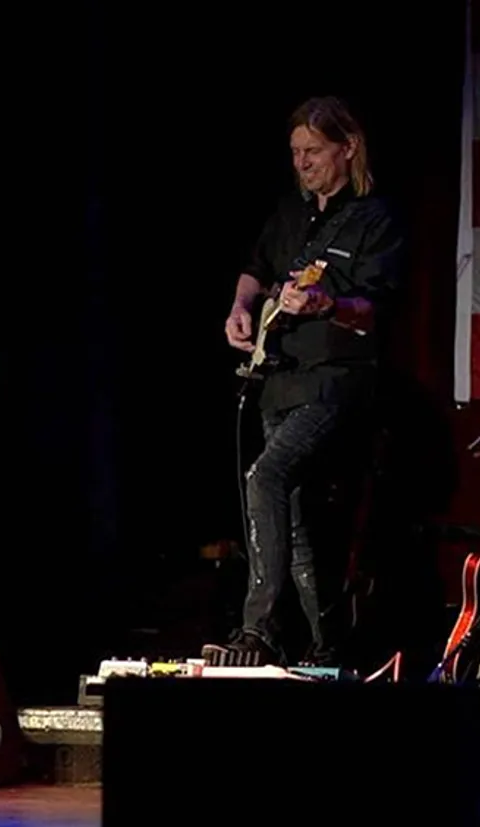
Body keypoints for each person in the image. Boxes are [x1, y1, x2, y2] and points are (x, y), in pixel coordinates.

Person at [206, 96, 406, 668]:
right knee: (290, 515)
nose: (303, 163)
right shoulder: (290, 214)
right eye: (295, 152)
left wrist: (326, 304)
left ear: (348, 148)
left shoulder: (376, 219)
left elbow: (375, 308)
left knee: (265, 476)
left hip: (337, 383)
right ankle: (329, 646)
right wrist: (239, 308)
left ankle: (259, 627)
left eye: (313, 151)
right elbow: (256, 267)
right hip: (278, 379)